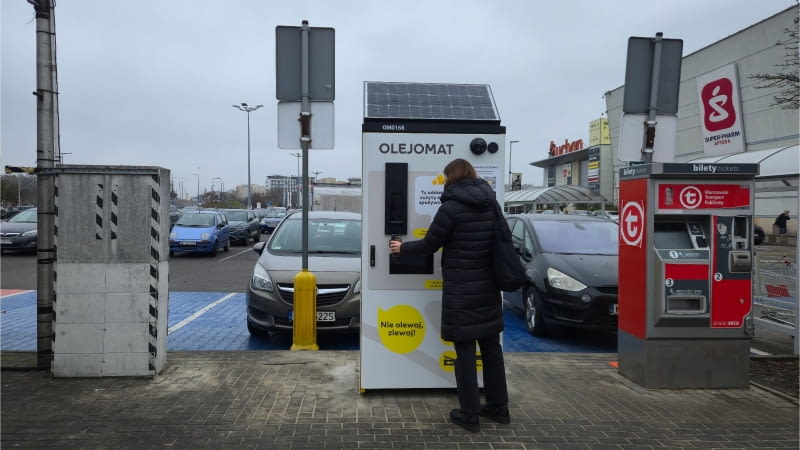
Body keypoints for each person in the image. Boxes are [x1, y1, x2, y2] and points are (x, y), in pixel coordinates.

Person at [388, 158, 509, 433]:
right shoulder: (491, 204)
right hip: (488, 288)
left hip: (462, 291)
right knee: (491, 349)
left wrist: (402, 248)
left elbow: (430, 244)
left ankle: (470, 415)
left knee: (465, 352)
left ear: (451, 177)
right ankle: (499, 408)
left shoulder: (451, 207)